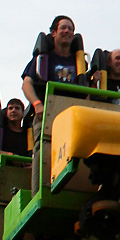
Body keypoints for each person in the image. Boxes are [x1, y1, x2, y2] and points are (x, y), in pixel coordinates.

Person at [22, 15, 78, 192]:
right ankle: (39, 192)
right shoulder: (42, 59)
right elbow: (26, 84)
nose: (67, 31)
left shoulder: (79, 62)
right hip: (47, 113)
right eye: (63, 28)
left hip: (71, 114)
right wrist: (37, 103)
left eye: (71, 29)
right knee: (43, 151)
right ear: (54, 32)